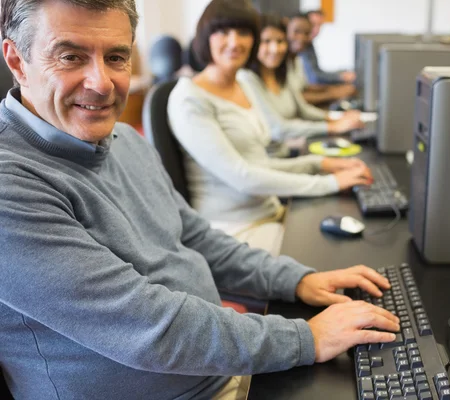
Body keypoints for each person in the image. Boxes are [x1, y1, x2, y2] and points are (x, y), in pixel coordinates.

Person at [0, 0, 399, 399]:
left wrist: (296, 279)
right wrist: (305, 338)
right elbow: (148, 327)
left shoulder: (124, 140)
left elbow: (196, 238)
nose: (101, 82)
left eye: (117, 57)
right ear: (17, 61)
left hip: (218, 369)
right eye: (71, 57)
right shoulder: (10, 184)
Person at [167, 1, 371, 255]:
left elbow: (259, 163)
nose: (235, 42)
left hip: (269, 211)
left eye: (243, 32)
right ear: (205, 37)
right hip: (233, 231)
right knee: (334, 255)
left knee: (358, 237)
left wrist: (319, 164)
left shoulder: (242, 83)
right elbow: (243, 176)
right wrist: (329, 182)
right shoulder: (189, 98)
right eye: (223, 32)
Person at [238, 14, 363, 141]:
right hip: (277, 154)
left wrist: (335, 118)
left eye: (280, 41)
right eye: (266, 41)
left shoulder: (280, 72)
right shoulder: (246, 78)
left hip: (290, 146)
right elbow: (277, 128)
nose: (275, 49)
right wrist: (331, 127)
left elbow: (303, 109)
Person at [286, 13, 355, 106]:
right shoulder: (286, 59)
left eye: (306, 33)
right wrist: (332, 94)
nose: (302, 37)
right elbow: (313, 79)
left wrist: (333, 90)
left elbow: (304, 87)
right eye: (297, 31)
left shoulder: (300, 53)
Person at [300, 9, 356, 85]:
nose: (316, 30)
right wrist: (340, 77)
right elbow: (314, 77)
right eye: (313, 24)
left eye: (320, 25)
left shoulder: (309, 45)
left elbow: (317, 72)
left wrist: (341, 73)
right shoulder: (300, 45)